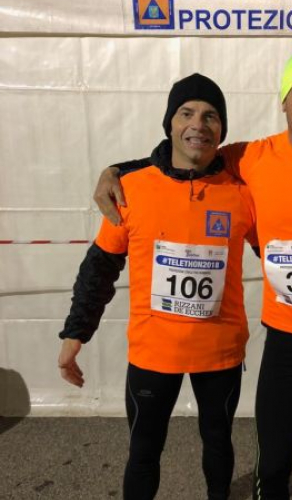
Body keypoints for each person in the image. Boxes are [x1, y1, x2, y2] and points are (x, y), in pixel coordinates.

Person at [93, 48, 292, 500]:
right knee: (275, 461)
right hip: (289, 339)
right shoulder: (250, 158)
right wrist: (114, 171)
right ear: (284, 101)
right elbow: (182, 156)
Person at [58, 74, 259, 500]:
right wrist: (75, 335)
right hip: (153, 352)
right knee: (144, 451)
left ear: (222, 130)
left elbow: (280, 250)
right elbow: (100, 268)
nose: (198, 124)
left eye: (210, 116)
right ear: (169, 123)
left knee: (219, 444)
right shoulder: (130, 189)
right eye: (186, 113)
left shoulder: (243, 192)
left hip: (219, 352)